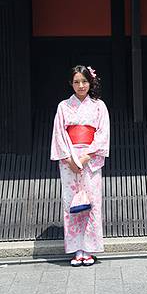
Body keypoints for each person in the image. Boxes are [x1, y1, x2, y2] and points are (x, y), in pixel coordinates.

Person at [50, 65, 110, 266]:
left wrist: (86, 157)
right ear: (71, 84)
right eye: (76, 82)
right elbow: (59, 134)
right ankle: (77, 249)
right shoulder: (63, 106)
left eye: (84, 81)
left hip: (90, 159)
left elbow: (102, 134)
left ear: (90, 82)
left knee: (91, 202)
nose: (81, 85)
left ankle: (89, 249)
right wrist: (69, 159)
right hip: (69, 158)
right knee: (72, 203)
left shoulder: (99, 106)